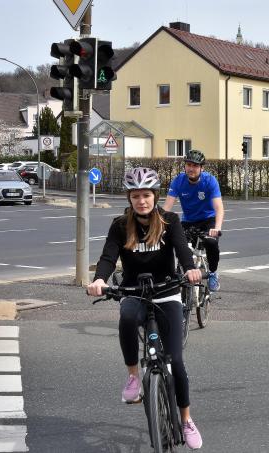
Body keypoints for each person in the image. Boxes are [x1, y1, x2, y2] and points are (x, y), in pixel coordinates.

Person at [86, 167, 204, 450]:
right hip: (134, 293)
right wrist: (100, 279)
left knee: (176, 361)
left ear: (155, 196)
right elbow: (108, 256)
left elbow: (182, 250)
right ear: (129, 198)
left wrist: (190, 269)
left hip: (167, 293)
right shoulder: (119, 225)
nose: (142, 201)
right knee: (126, 317)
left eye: (147, 195)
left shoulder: (169, 221)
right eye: (136, 196)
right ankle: (133, 378)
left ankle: (186, 419)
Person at [163, 149, 224, 292]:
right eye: (188, 165)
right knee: (175, 243)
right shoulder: (178, 181)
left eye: (195, 166)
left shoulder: (210, 181)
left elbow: (219, 208)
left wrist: (217, 227)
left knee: (210, 242)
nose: (191, 168)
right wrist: (159, 226)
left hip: (208, 220)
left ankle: (213, 273)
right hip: (188, 221)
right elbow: (167, 207)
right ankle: (177, 272)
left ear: (201, 168)